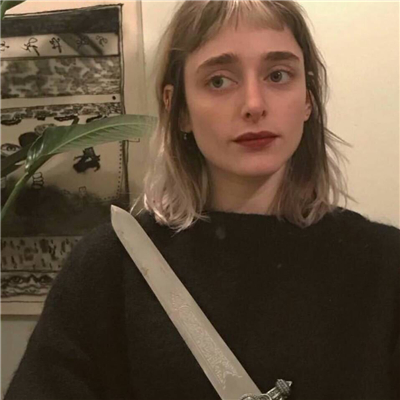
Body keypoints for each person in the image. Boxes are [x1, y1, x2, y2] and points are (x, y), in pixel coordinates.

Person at [5, 1, 399, 399]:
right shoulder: (110, 266)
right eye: (219, 81)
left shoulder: (386, 265)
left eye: (278, 75)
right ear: (178, 109)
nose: (254, 104)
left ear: (308, 99)